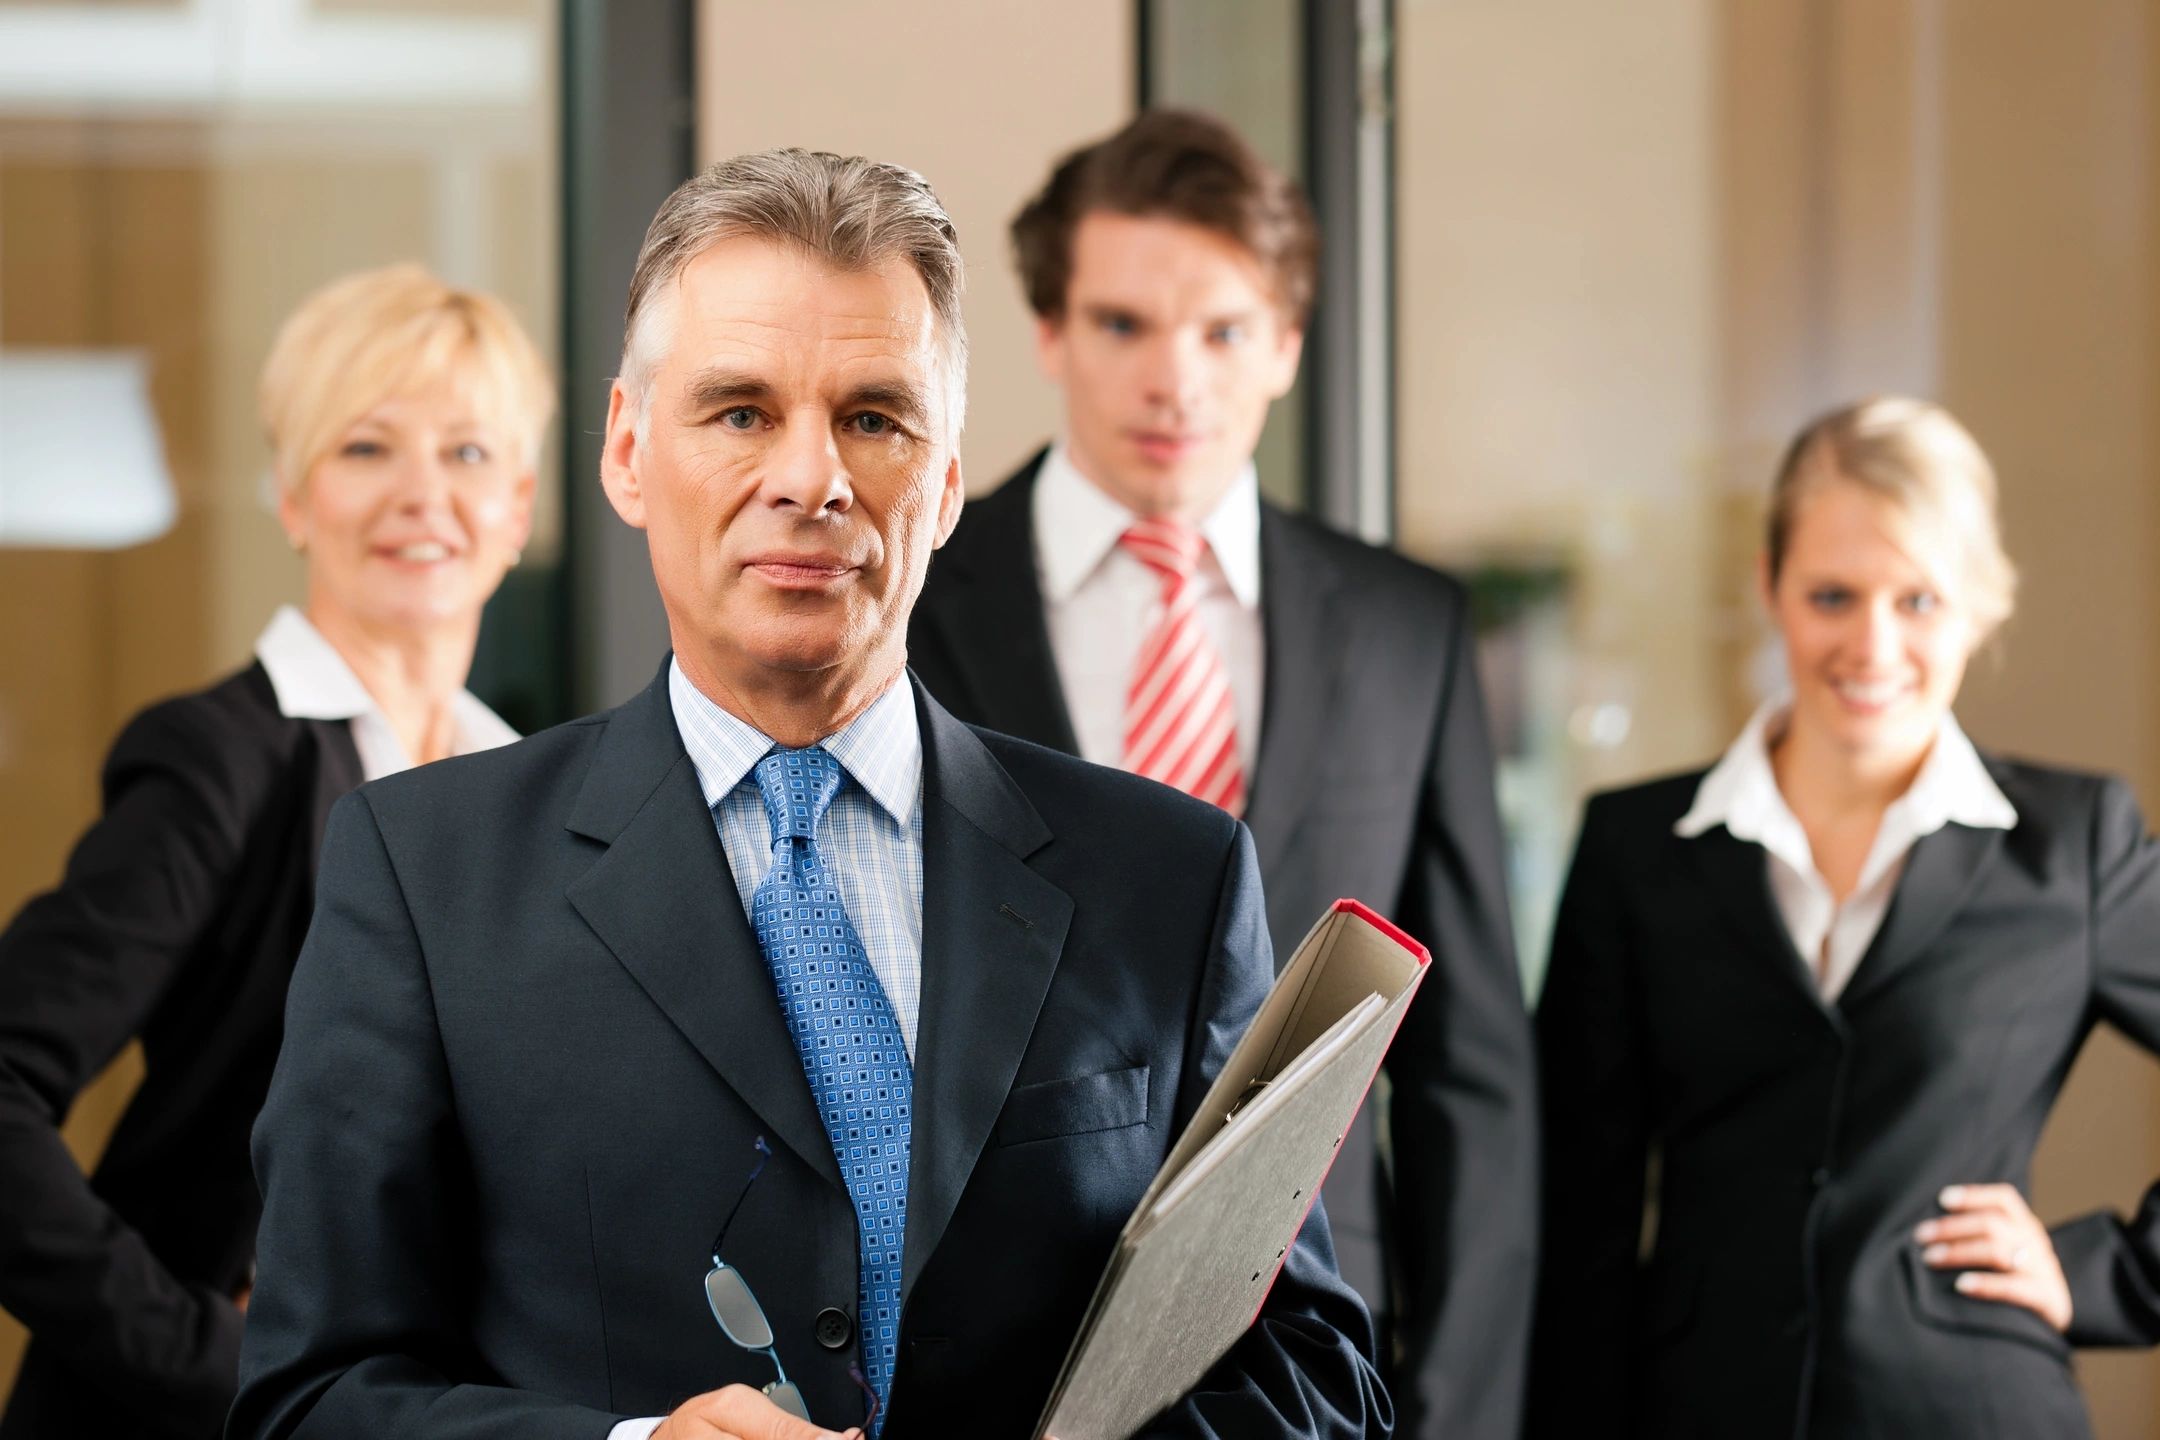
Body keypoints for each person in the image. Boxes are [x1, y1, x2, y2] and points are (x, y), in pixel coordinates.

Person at [229, 148, 1386, 1440]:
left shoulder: (1170, 880)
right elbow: (309, 1400)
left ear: (945, 484)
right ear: (625, 452)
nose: (810, 479)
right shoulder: (422, 877)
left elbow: (1314, 1372)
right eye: (739, 413)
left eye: (874, 419)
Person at [905, 108, 1533, 1436]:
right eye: (1124, 325)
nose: (1173, 382)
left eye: (1225, 332)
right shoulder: (910, 605)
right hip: (974, 1358)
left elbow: (1471, 1069)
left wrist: (1456, 1411)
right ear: (1051, 334)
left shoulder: (1408, 628)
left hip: (1316, 1363)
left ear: (1289, 348)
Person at [1529, 395, 2160, 1438]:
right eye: (1834, 594)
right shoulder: (1636, 850)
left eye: (1918, 600)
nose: (1873, 644)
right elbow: (1573, 1204)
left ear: (1982, 607)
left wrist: (2102, 1279)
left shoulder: (2075, 846)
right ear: (1771, 588)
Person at [0, 262, 549, 1438]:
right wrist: (215, 1362)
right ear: (294, 497)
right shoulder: (218, 762)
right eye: (364, 448)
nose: (421, 495)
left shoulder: (537, 802)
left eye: (465, 454)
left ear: (518, 508)